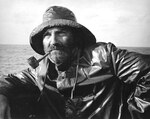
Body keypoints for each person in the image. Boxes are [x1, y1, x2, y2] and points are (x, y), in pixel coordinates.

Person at [0, 5, 150, 119]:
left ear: (76, 39)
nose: (53, 42)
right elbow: (9, 80)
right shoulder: (41, 70)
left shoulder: (105, 55)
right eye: (47, 35)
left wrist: (133, 115)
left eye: (61, 33)